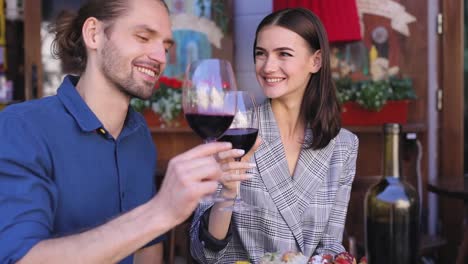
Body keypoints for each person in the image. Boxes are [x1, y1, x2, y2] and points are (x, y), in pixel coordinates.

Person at [0, 0, 253, 263]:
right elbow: (20, 258)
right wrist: (160, 211)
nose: (160, 57)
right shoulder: (21, 128)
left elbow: (147, 248)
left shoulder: (138, 134)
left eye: (166, 46)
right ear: (94, 34)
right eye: (143, 37)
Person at [190, 7, 359, 264]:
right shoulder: (229, 131)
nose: (268, 66)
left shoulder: (343, 145)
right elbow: (201, 252)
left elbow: (330, 246)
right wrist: (227, 192)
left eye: (284, 54)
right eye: (261, 54)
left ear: (316, 61)